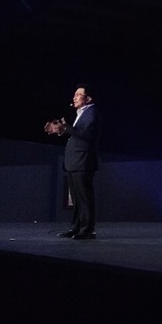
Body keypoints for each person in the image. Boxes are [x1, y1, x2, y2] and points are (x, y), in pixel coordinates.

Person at [44, 85, 101, 239]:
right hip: (75, 161)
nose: (74, 97)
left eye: (78, 95)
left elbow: (86, 134)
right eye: (74, 94)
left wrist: (65, 128)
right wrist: (61, 129)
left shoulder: (92, 112)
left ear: (88, 98)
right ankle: (76, 228)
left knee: (84, 198)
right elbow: (77, 135)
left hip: (83, 161)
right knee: (76, 199)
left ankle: (87, 230)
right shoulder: (81, 113)